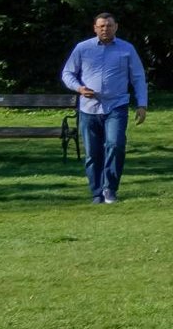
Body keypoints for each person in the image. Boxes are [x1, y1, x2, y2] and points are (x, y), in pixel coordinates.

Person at [60, 11, 150, 205]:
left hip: (116, 106)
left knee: (115, 145)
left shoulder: (127, 49)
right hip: (88, 108)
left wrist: (142, 104)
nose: (105, 29)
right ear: (95, 28)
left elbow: (138, 78)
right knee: (92, 153)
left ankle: (110, 189)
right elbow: (67, 73)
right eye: (101, 26)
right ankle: (96, 193)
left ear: (116, 27)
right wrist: (79, 88)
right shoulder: (83, 48)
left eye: (109, 25)